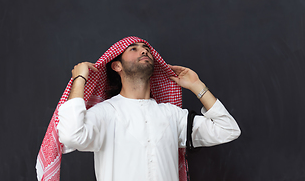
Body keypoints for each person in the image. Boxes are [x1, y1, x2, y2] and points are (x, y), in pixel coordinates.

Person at [36, 36, 240, 181]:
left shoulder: (171, 115)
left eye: (146, 49)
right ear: (117, 66)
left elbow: (228, 130)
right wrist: (79, 80)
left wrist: (197, 86)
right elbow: (71, 135)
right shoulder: (106, 113)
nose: (144, 50)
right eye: (133, 49)